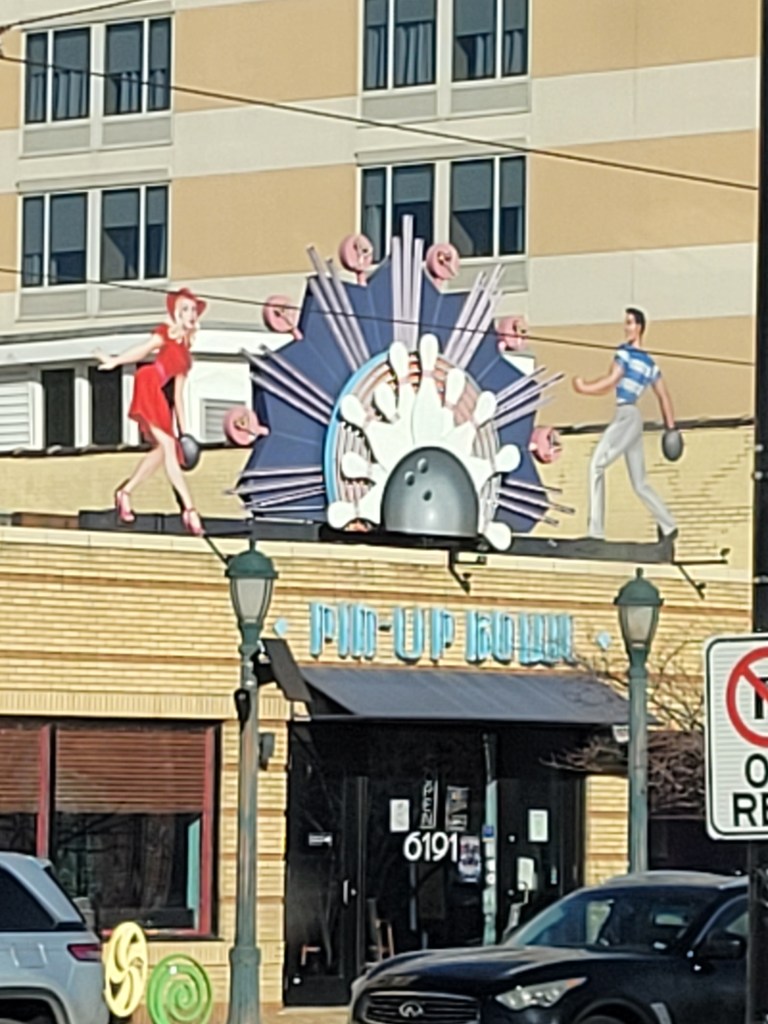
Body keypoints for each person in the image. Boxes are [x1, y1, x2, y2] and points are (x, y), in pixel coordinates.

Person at [96, 287, 206, 536]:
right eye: (185, 309)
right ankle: (190, 509)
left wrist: (184, 433)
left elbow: (178, 396)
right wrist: (115, 361)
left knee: (164, 450)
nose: (191, 314)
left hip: (159, 395)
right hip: (148, 383)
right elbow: (143, 350)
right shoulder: (166, 333)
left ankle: (125, 492)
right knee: (167, 446)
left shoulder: (186, 356)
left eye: (193, 310)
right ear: (177, 314)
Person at [573, 307, 677, 543]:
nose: (625, 327)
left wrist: (584, 387)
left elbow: (611, 381)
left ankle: (595, 531)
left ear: (639, 327)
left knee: (596, 465)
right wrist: (671, 429)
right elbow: (664, 397)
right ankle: (669, 525)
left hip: (626, 414)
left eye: (629, 323)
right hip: (634, 419)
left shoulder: (625, 353)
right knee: (640, 482)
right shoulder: (650, 364)